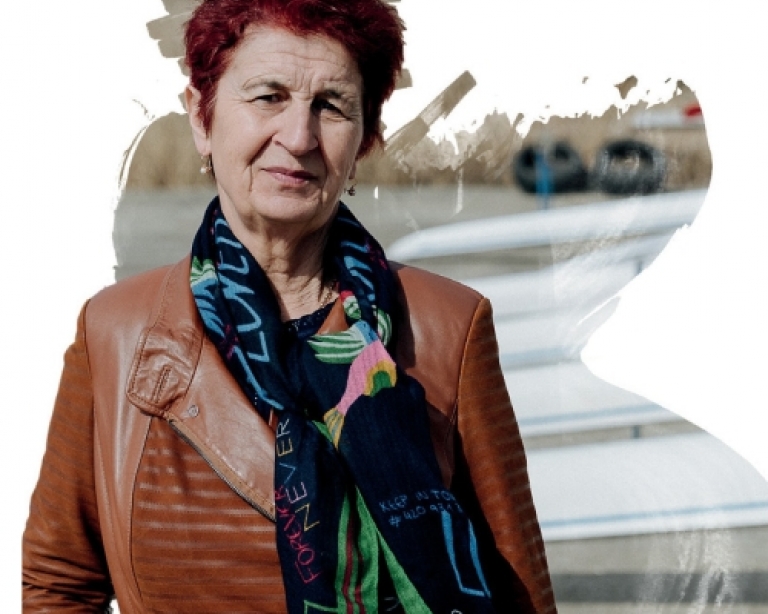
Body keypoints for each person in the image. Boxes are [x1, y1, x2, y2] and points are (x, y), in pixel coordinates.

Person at [22, 0, 557, 612]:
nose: (299, 137)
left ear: (365, 140)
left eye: (331, 106)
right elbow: (60, 584)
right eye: (268, 97)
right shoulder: (115, 331)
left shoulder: (448, 327)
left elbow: (521, 594)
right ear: (202, 117)